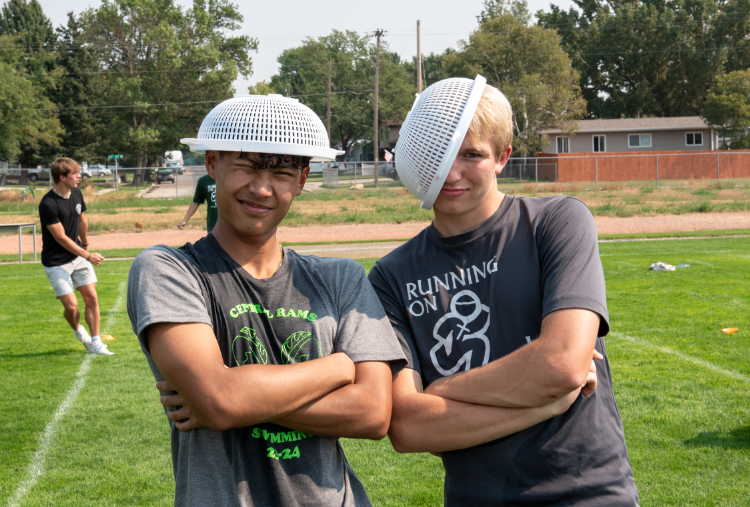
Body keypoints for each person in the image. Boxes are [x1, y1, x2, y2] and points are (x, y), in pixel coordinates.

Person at [368, 79, 639, 505]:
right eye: (440, 154)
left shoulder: (556, 222)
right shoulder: (391, 276)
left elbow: (562, 366)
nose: (452, 172)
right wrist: (547, 404)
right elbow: (407, 426)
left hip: (588, 494)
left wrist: (441, 391)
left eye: (472, 154)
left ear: (503, 157)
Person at [127, 95, 406, 507]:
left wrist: (233, 397)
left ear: (302, 179)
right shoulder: (168, 269)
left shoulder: (340, 278)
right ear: (212, 164)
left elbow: (373, 412)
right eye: (247, 166)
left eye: (280, 171)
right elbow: (219, 401)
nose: (261, 188)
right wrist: (341, 366)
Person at [39, 157, 113, 355]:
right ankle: (77, 329)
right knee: (72, 307)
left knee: (91, 297)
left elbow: (82, 221)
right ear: (62, 177)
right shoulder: (48, 203)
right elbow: (61, 238)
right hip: (56, 262)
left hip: (78, 255)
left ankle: (96, 342)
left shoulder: (77, 193)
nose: (79, 176)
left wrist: (86, 245)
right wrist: (88, 255)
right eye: (75, 174)